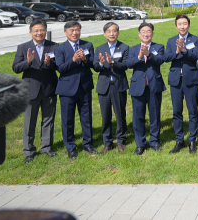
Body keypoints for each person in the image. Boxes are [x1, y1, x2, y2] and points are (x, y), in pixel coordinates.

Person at [12, 19, 59, 163]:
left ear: (46, 31)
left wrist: (49, 63)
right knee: (29, 121)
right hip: (31, 89)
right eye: (36, 30)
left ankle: (46, 147)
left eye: (42, 30)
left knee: (48, 120)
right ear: (31, 32)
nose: (39, 33)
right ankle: (29, 151)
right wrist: (28, 62)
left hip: (49, 88)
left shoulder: (54, 46)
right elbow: (15, 68)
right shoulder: (23, 47)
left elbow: (59, 66)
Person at [55, 21, 96, 159]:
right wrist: (73, 60)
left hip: (84, 86)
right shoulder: (60, 48)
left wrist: (85, 60)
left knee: (86, 117)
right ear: (65, 32)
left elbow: (93, 64)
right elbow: (60, 68)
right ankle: (71, 147)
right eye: (72, 30)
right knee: (68, 119)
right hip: (67, 89)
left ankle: (88, 144)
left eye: (77, 30)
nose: (75, 33)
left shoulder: (87, 45)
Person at [126, 22, 166, 155]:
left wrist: (149, 54)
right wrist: (139, 56)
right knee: (138, 116)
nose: (146, 34)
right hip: (138, 86)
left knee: (154, 115)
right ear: (139, 34)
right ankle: (140, 144)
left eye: (148, 31)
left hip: (154, 86)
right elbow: (128, 64)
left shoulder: (158, 47)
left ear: (152, 34)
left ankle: (154, 141)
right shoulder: (132, 49)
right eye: (143, 31)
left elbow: (160, 60)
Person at [164, 14, 198, 154]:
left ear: (189, 25)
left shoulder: (195, 39)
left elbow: (196, 56)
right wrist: (177, 51)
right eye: (180, 24)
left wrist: (184, 50)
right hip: (175, 81)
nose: (182, 26)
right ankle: (179, 140)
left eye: (185, 23)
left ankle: (192, 140)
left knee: (192, 111)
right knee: (177, 111)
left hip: (191, 80)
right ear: (176, 26)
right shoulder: (171, 40)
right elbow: (166, 57)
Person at [93, 22, 130, 154]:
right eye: (109, 31)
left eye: (114, 31)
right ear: (104, 34)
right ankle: (107, 142)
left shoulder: (124, 47)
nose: (112, 34)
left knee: (120, 114)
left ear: (118, 33)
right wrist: (102, 64)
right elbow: (95, 67)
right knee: (105, 115)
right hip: (104, 86)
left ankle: (120, 140)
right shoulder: (99, 49)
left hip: (118, 85)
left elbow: (126, 65)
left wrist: (113, 62)